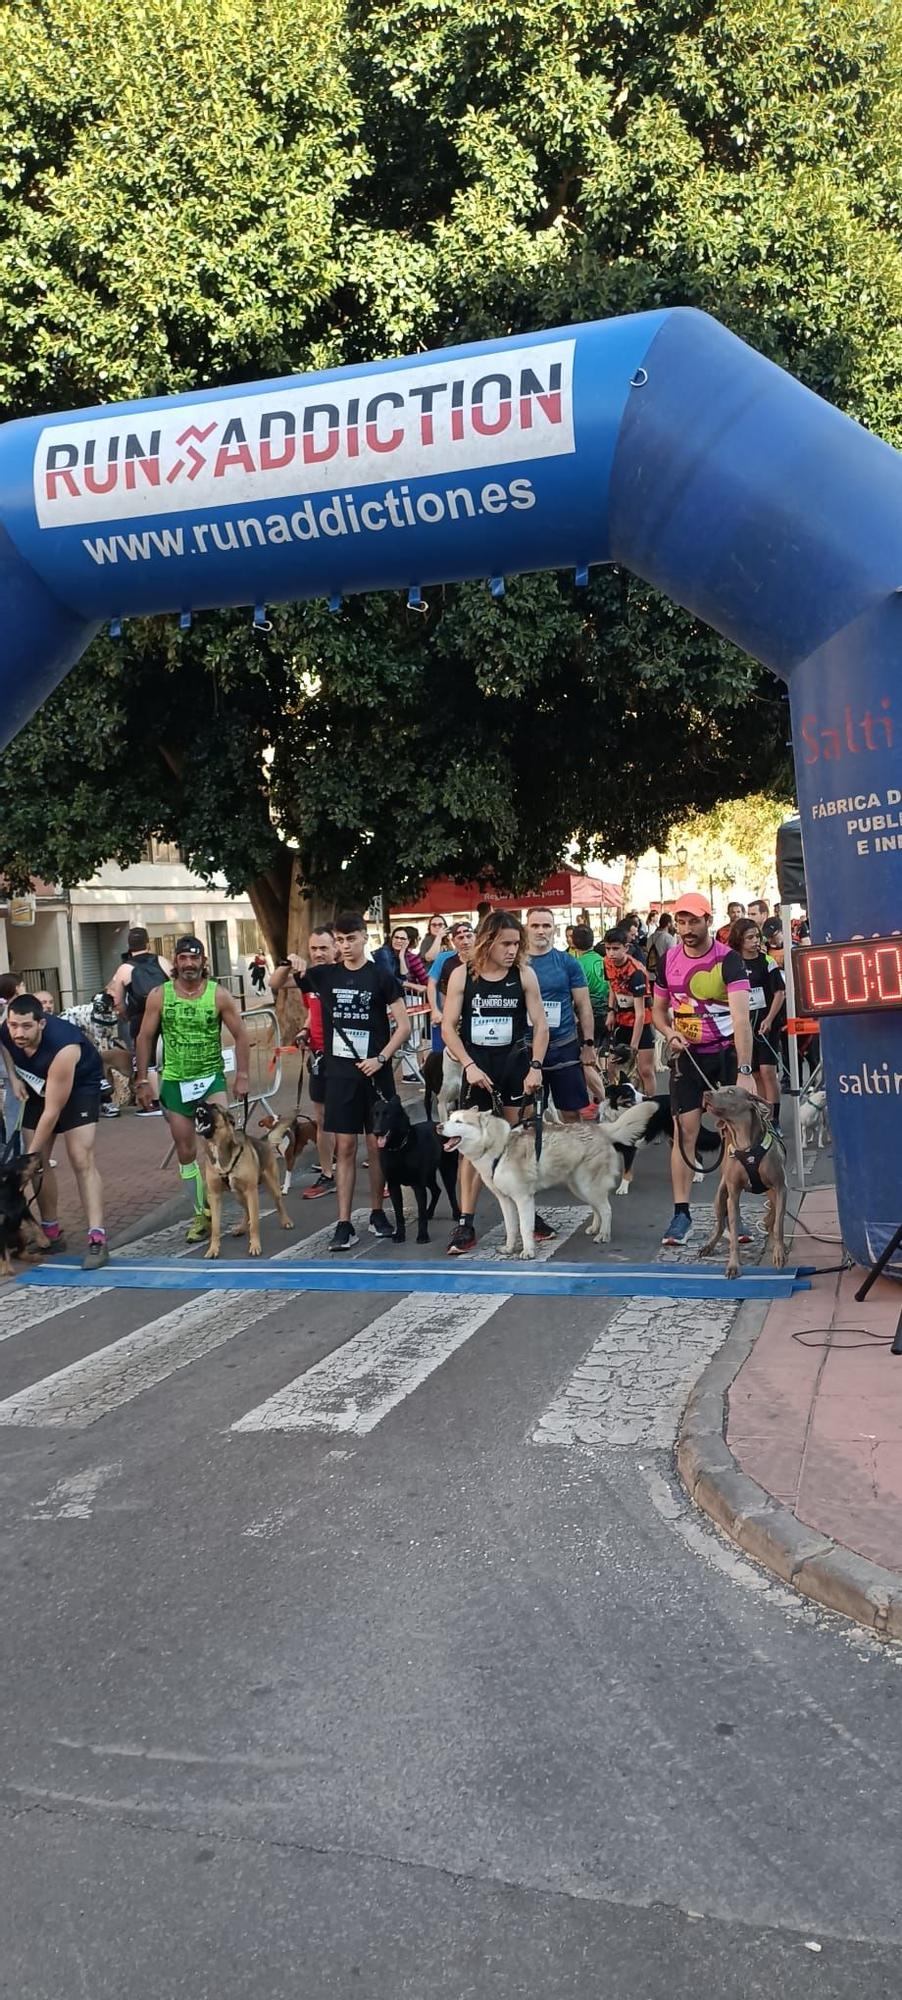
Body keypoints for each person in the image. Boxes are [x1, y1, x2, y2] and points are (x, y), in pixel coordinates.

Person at [293, 912, 411, 1252]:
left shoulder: (382, 976)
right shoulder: (326, 975)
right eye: (340, 941)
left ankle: (377, 1212)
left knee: (376, 1146)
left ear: (364, 938)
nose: (345, 946)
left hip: (375, 1072)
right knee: (345, 1147)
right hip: (340, 1074)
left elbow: (402, 1026)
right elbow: (277, 984)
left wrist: (381, 1058)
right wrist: (292, 964)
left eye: (351, 939)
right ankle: (344, 1222)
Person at [441, 910, 549, 1256]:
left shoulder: (524, 974)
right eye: (505, 943)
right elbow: (447, 1027)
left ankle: (524, 1213)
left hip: (513, 1062)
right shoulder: (462, 976)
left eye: (516, 943)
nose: (511, 950)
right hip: (479, 1065)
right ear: (487, 941)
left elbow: (541, 1025)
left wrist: (535, 1067)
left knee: (513, 1144)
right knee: (468, 1146)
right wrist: (468, 1065)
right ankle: (466, 1221)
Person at [652, 891, 755, 1247]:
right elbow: (658, 1011)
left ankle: (731, 1214)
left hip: (726, 1053)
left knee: (732, 1134)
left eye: (693, 921)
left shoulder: (729, 961)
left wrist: (745, 1069)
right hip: (688, 1056)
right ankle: (681, 1214)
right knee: (685, 1132)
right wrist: (669, 1033)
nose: (686, 929)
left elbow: (742, 1021)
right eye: (680, 922)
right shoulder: (668, 959)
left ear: (708, 921)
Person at [134, 936, 251, 1241]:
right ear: (175, 961)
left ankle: (232, 1200)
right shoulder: (160, 995)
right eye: (183, 958)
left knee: (220, 1145)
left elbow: (240, 1035)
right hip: (175, 1081)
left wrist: (243, 1075)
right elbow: (144, 1037)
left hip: (210, 1079)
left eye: (194, 958)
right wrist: (143, 1078)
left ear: (203, 962)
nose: (188, 964)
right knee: (186, 1151)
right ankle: (202, 1213)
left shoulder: (218, 995)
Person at [0, 992, 109, 1268]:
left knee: (79, 1156)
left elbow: (53, 1111)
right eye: (14, 1026)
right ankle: (50, 1229)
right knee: (38, 1165)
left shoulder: (64, 1046)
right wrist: (13, 1078)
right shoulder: (7, 1030)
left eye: (26, 1027)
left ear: (42, 1023)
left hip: (77, 1087)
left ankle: (97, 1237)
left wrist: (30, 1157)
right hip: (36, 1085)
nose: (18, 1033)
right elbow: (4, 1047)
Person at [271, 926, 338, 1197]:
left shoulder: (345, 974)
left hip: (348, 1057)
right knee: (322, 1119)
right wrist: (288, 963)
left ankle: (381, 1178)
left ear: (336, 948)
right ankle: (327, 1174)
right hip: (319, 1055)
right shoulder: (308, 977)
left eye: (324, 948)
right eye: (314, 949)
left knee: (360, 1120)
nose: (319, 953)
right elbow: (275, 984)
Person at [525, 906, 597, 1122]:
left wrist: (589, 1046)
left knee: (572, 1114)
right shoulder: (515, 963)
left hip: (563, 1047)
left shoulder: (568, 963)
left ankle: (575, 1155)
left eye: (546, 926)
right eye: (535, 925)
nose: (540, 931)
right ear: (526, 929)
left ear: (554, 930)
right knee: (529, 1116)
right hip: (526, 1048)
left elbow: (584, 1005)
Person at [106, 926, 170, 1114]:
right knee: (168, 1054)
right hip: (166, 1014)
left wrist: (124, 1014)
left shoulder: (125, 968)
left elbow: (118, 999)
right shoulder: (161, 961)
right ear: (148, 943)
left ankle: (154, 1102)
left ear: (129, 945)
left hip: (140, 1017)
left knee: (146, 1058)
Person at [728, 918, 783, 1122]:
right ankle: (762, 1116)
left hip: (766, 1024)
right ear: (739, 940)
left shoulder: (767, 961)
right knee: (756, 1072)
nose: (755, 941)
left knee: (768, 1071)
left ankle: (774, 1119)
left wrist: (769, 1019)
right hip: (745, 1025)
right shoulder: (734, 962)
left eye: (757, 937)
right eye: (749, 937)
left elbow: (779, 992)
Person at [604, 926, 657, 1097]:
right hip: (621, 1020)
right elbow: (611, 987)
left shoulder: (636, 971)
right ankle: (617, 1099)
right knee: (612, 1065)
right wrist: (610, 1010)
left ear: (626, 948)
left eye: (616, 948)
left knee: (645, 1070)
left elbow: (640, 1013)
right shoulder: (607, 962)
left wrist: (633, 1048)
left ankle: (651, 1103)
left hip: (640, 1021)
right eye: (608, 948)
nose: (611, 953)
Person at [427, 920, 474, 1054]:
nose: (465, 941)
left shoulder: (484, 959)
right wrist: (435, 1010)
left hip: (473, 1016)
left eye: (469, 936)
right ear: (453, 941)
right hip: (447, 1015)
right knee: (442, 1056)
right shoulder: (444, 958)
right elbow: (431, 984)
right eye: (460, 938)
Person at [570, 924, 609, 1038]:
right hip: (607, 1015)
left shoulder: (576, 965)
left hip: (585, 1019)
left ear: (573, 942)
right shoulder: (604, 960)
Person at [646, 911, 674, 981]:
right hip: (663, 975)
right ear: (668, 924)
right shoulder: (669, 938)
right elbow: (672, 958)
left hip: (650, 974)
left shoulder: (650, 937)